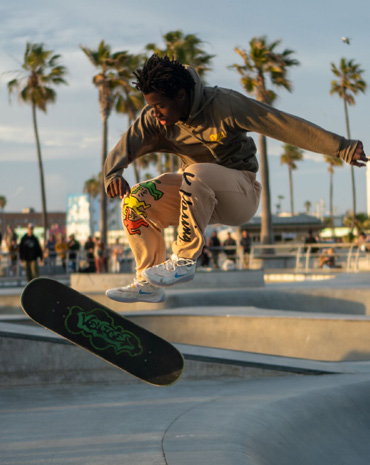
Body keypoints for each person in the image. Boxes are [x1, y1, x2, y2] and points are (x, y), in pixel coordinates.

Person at [103, 54, 367, 303]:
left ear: (181, 95)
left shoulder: (224, 105)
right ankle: (146, 284)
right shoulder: (153, 121)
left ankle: (183, 261)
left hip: (240, 194)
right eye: (151, 106)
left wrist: (340, 146)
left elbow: (280, 123)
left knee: (195, 172)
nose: (155, 113)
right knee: (136, 200)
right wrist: (113, 174)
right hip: (195, 198)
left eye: (160, 105)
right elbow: (125, 147)